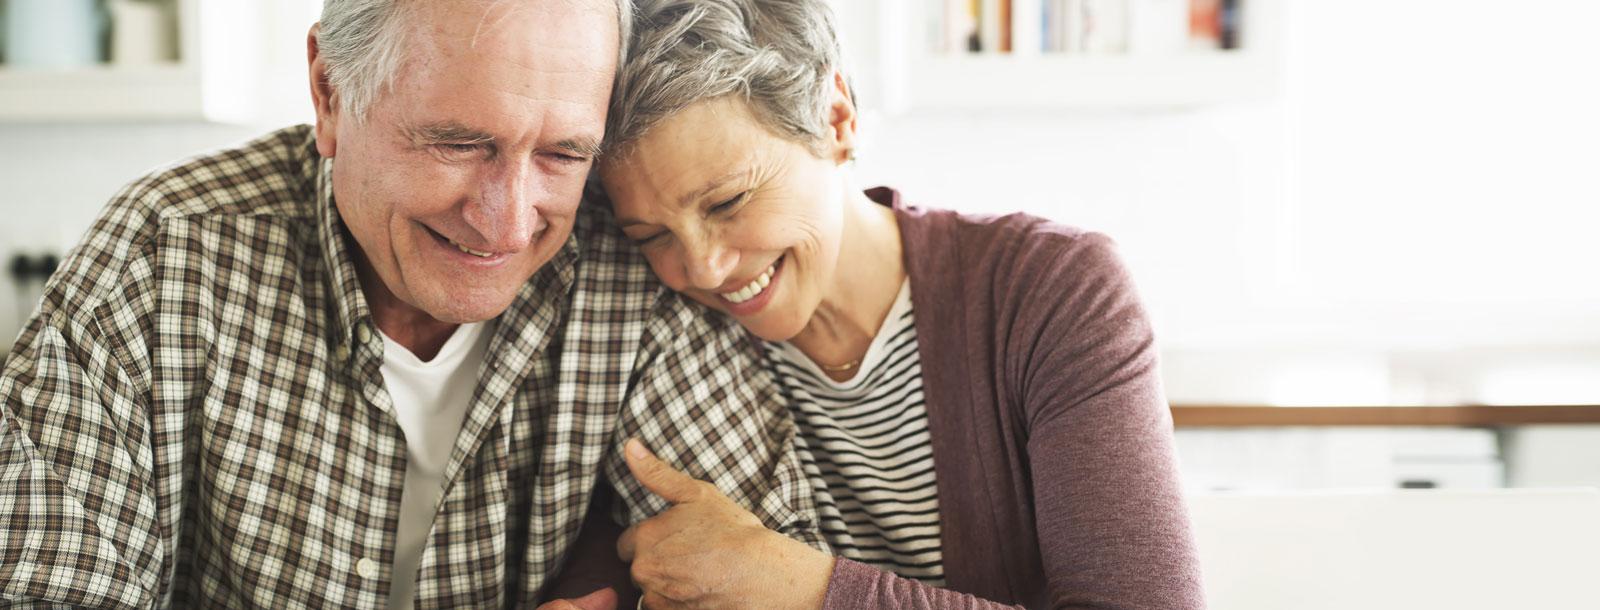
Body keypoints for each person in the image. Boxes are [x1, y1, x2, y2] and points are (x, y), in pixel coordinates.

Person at [0, 1, 823, 607]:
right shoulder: (165, 256)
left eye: (563, 153)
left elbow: (761, 573)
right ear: (329, 94)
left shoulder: (637, 258)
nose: (507, 222)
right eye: (459, 142)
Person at [590, 0, 1208, 607]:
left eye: (726, 203)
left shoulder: (1054, 292)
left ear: (836, 119)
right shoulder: (662, 333)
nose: (701, 268)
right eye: (652, 236)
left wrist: (804, 587)